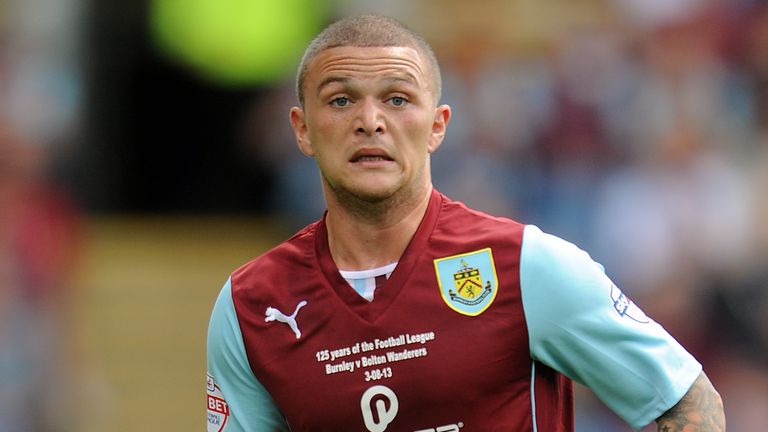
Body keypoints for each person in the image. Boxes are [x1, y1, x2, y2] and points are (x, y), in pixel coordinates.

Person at [206, 14, 725, 432]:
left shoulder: (526, 267)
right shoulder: (251, 306)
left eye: (397, 99)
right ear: (302, 129)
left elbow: (687, 403)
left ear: (437, 127)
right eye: (341, 100)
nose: (370, 120)